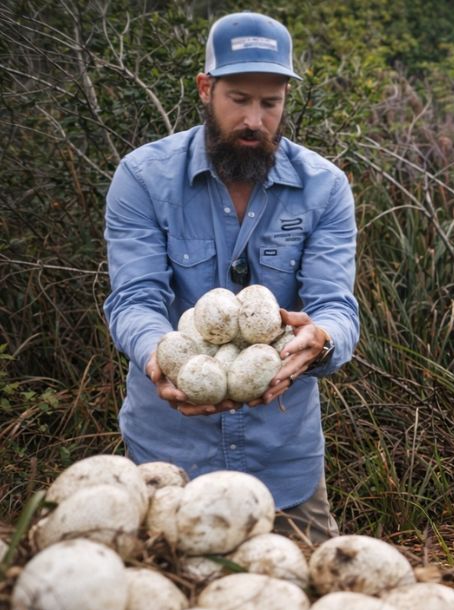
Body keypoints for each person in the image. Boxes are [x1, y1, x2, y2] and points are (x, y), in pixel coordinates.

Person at [104, 12, 359, 542]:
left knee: (305, 594)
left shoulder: (325, 188)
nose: (254, 121)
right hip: (170, 456)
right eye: (239, 99)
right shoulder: (143, 177)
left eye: (271, 103)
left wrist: (322, 338)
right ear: (206, 88)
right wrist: (161, 358)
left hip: (283, 460)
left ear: (287, 96)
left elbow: (336, 302)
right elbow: (134, 299)